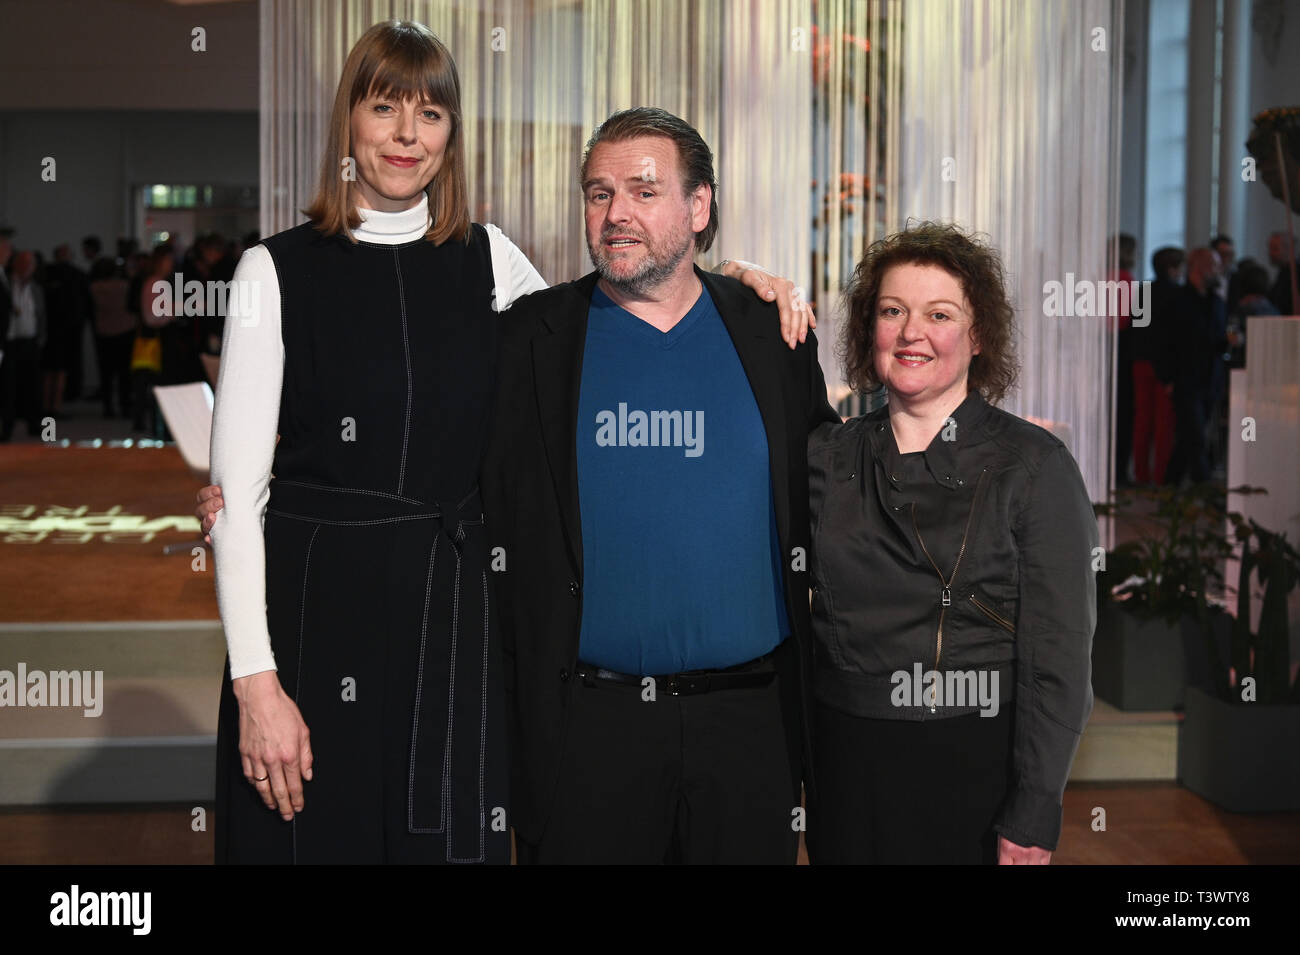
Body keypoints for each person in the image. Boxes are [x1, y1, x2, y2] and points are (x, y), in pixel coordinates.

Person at [193, 23, 809, 865]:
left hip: (453, 623)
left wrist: (740, 275)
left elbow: (625, 289)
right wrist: (254, 681)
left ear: (451, 135)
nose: (408, 135)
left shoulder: (491, 260)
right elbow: (238, 501)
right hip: (316, 616)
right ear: (349, 124)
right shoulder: (272, 271)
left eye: (432, 113)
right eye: (384, 108)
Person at [481, 107, 838, 864]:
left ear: (699, 205)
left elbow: (837, 489)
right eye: (598, 192)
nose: (615, 215)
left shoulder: (773, 335)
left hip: (751, 729)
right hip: (586, 733)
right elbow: (451, 484)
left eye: (644, 192)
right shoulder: (527, 343)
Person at [805, 222, 1097, 864]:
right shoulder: (827, 454)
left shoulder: (1034, 466)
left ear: (979, 334)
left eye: (939, 314)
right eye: (892, 311)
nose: (912, 333)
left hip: (971, 763)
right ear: (867, 329)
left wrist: (1034, 809)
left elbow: (1060, 659)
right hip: (844, 766)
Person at [1165, 247, 1226, 484]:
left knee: (1188, 438)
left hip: (1210, 380)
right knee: (1196, 436)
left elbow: (1216, 338)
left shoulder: (1216, 302)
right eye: (1215, 265)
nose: (1220, 271)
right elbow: (1167, 341)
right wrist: (1167, 377)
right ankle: (1204, 487)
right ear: (1200, 268)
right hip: (1186, 379)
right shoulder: (1178, 302)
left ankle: (1169, 483)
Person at [1131, 246, 1181, 485]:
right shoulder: (1176, 295)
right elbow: (1174, 336)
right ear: (1173, 268)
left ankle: (1141, 474)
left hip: (1141, 361)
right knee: (1163, 424)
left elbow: (1136, 329)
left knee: (1142, 420)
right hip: (1164, 365)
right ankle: (1160, 478)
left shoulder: (1144, 291)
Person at [1, 250, 46, 442]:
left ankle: (35, 424)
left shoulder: (36, 288)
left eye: (31, 265)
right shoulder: (6, 285)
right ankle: (7, 426)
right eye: (25, 264)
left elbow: (41, 315)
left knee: (33, 385)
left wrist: (41, 338)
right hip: (10, 342)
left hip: (31, 341)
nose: (28, 269)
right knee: (8, 387)